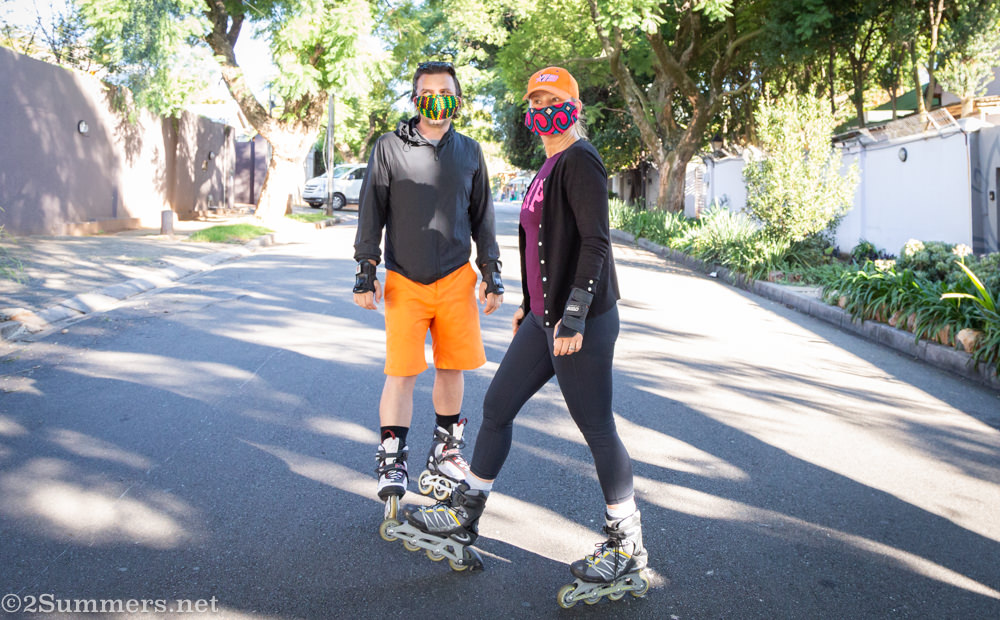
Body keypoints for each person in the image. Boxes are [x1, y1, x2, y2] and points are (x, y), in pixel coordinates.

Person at [402, 66, 647, 596]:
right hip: (544, 319)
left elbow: (595, 243)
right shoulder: (548, 164)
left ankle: (626, 544)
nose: (542, 108)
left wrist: (575, 313)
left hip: (580, 322)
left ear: (573, 107)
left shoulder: (581, 160)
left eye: (552, 99)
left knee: (597, 426)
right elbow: (540, 244)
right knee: (497, 407)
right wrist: (534, 305)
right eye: (534, 99)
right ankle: (465, 513)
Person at [353, 61, 504, 509]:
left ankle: (445, 448)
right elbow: (371, 212)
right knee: (400, 372)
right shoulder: (389, 148)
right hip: (405, 279)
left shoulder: (471, 152)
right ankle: (392, 456)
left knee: (452, 367)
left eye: (446, 92)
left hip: (457, 277)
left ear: (457, 98)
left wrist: (492, 273)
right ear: (415, 98)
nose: (438, 100)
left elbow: (484, 217)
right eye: (428, 92)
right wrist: (366, 268)